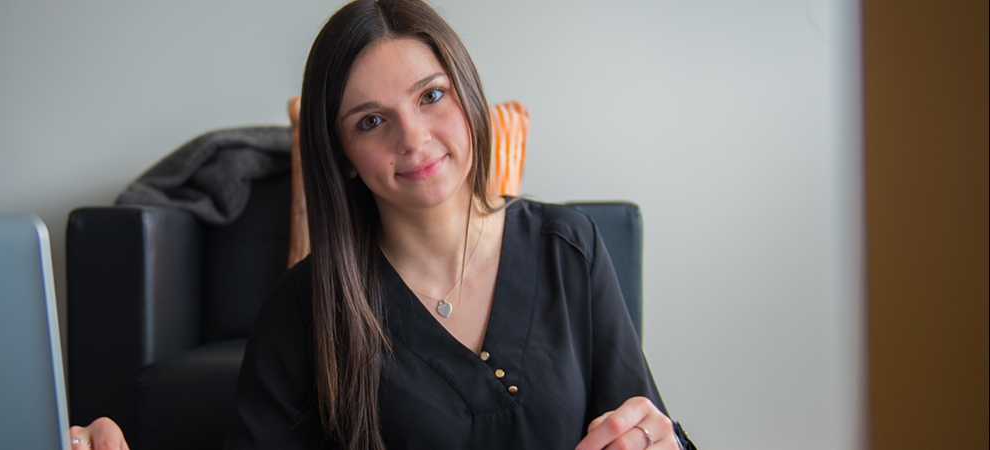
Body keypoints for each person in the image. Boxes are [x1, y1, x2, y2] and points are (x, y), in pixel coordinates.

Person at [71, 1, 694, 449]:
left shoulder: (570, 246)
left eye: (431, 96)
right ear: (341, 155)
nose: (415, 140)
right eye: (372, 122)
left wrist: (658, 441)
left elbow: (648, 423)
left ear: (469, 97)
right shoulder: (304, 308)